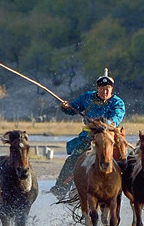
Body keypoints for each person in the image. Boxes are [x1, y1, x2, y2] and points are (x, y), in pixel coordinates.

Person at [51, 69, 126, 199]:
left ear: (112, 89)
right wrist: (66, 107)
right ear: (97, 88)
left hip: (109, 136)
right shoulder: (87, 97)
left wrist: (101, 123)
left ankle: (127, 187)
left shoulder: (117, 103)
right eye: (102, 88)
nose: (105, 91)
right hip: (88, 137)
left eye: (108, 88)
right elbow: (73, 108)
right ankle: (61, 188)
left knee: (125, 161)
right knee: (73, 158)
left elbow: (115, 119)